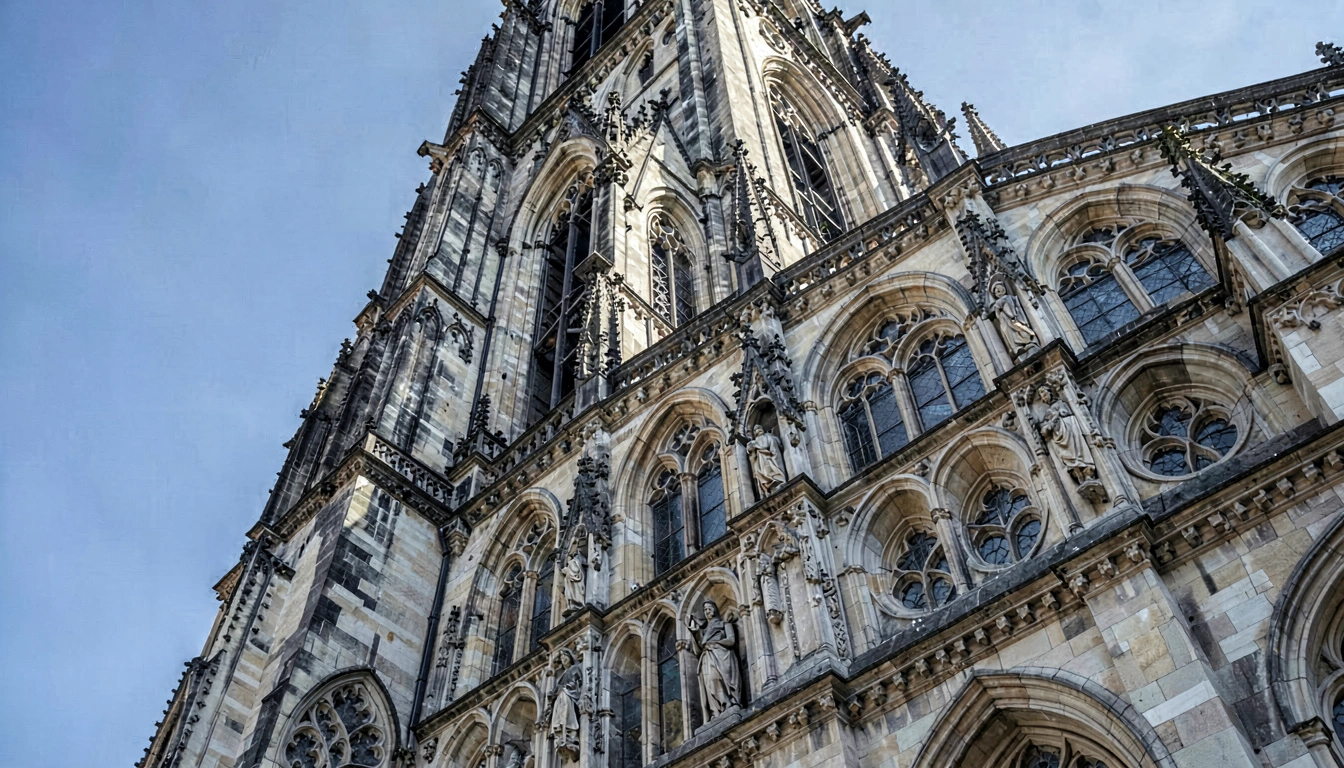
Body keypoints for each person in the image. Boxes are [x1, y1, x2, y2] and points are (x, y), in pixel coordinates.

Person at [687, 600, 741, 719]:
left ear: (715, 609)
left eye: (709, 608)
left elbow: (731, 640)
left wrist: (715, 643)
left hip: (721, 655)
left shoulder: (724, 624)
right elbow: (698, 650)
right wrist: (695, 634)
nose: (707, 611)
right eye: (705, 610)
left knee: (716, 678)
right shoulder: (704, 631)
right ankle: (716, 710)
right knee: (710, 682)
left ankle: (728, 702)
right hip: (707, 657)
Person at [746, 425, 786, 495]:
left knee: (772, 469)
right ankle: (768, 487)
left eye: (759, 428)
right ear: (754, 432)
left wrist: (757, 446)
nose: (759, 430)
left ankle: (777, 481)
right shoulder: (753, 442)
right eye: (756, 429)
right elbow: (751, 454)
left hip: (769, 457)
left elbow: (771, 445)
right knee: (763, 472)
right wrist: (751, 449)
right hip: (760, 460)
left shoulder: (768, 437)